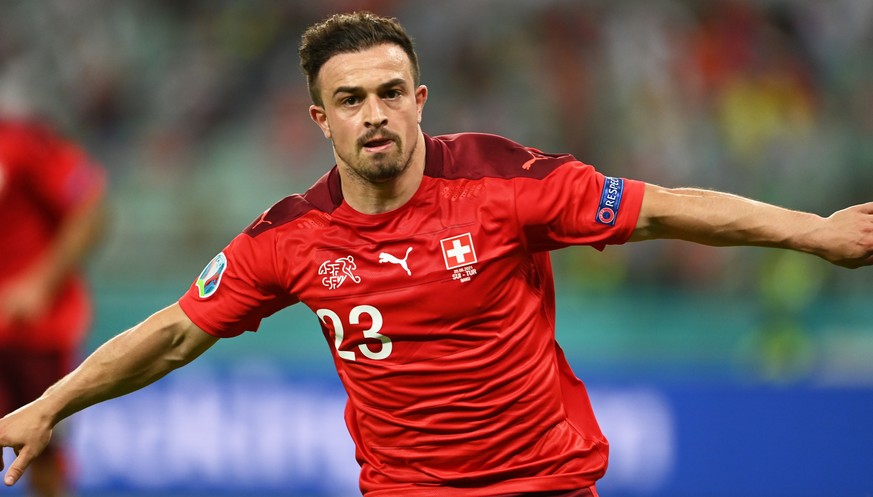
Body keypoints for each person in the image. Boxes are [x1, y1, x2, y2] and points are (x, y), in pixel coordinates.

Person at [2, 11, 872, 497]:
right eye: (351, 99)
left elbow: (665, 210)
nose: (374, 112)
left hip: (545, 486)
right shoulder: (291, 237)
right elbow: (174, 333)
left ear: (419, 99)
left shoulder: (503, 182)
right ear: (321, 118)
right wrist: (50, 404)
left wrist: (814, 229)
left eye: (389, 92)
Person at [0, 117, 106, 497]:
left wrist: (40, 284)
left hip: (32, 335)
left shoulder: (22, 142)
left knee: (43, 456)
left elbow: (90, 206)